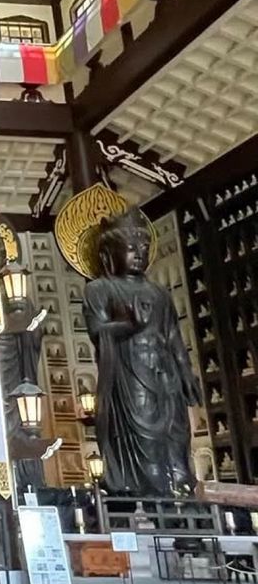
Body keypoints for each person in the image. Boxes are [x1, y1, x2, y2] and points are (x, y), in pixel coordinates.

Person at [84, 207, 200, 497]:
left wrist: (186, 371)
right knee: (145, 437)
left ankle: (182, 494)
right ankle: (148, 497)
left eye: (144, 248)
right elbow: (98, 332)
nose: (139, 254)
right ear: (109, 254)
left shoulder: (159, 293)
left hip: (165, 373)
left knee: (176, 437)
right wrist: (128, 326)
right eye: (130, 248)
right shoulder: (100, 289)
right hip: (131, 373)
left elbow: (172, 334)